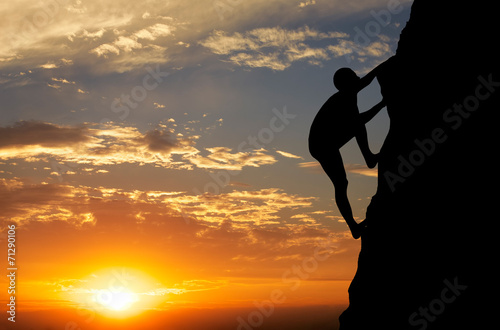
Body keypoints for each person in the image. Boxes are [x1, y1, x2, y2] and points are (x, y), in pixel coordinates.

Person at [309, 63, 387, 239]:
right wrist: (382, 103)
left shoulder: (348, 95)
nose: (358, 78)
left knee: (357, 124)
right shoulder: (345, 96)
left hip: (326, 139)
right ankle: (353, 226)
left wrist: (381, 104)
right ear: (347, 83)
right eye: (354, 76)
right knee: (341, 183)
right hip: (321, 144)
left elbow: (359, 120)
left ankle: (369, 158)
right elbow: (360, 119)